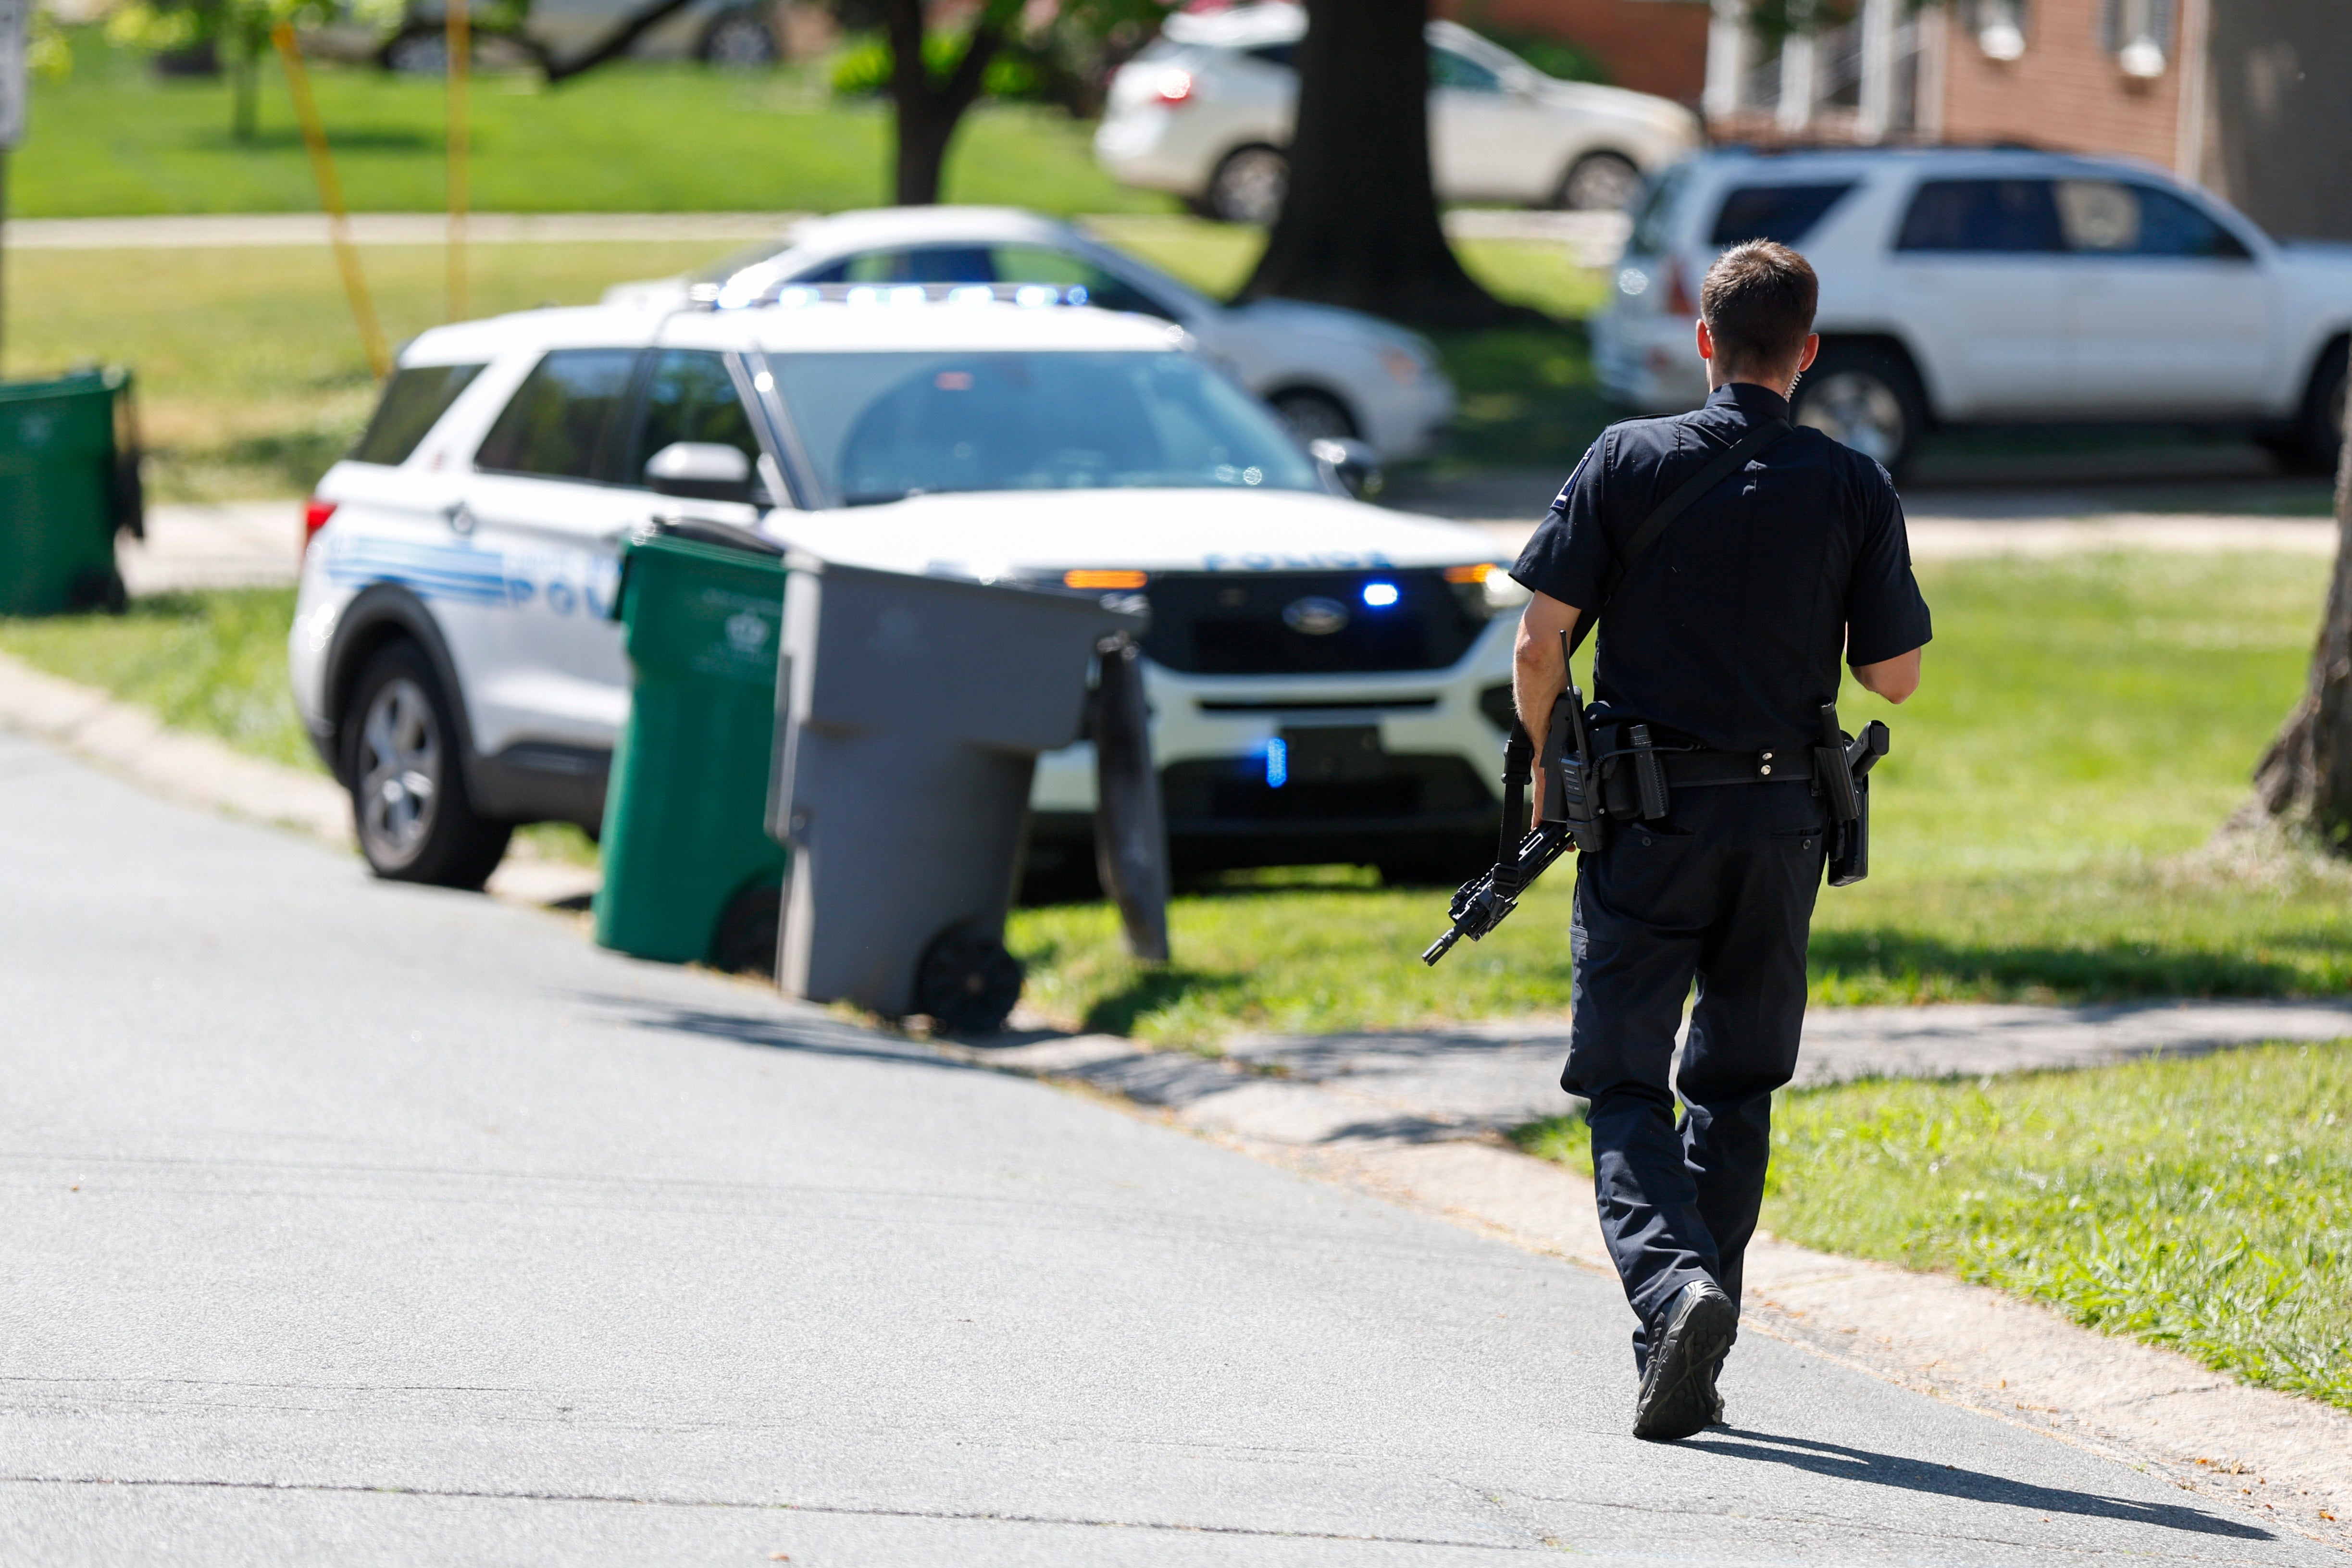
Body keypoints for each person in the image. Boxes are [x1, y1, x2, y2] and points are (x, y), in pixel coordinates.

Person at [1506, 240, 1931, 1442]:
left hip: (1646, 822)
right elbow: (1891, 676)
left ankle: (1670, 1286)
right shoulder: (1853, 482)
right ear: (1805, 353)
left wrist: (1543, 757)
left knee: (1624, 1078)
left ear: (1702, 339)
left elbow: (1542, 642)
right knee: (1735, 1082)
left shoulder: (1626, 459)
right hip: (1783, 824)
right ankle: (1688, 1334)